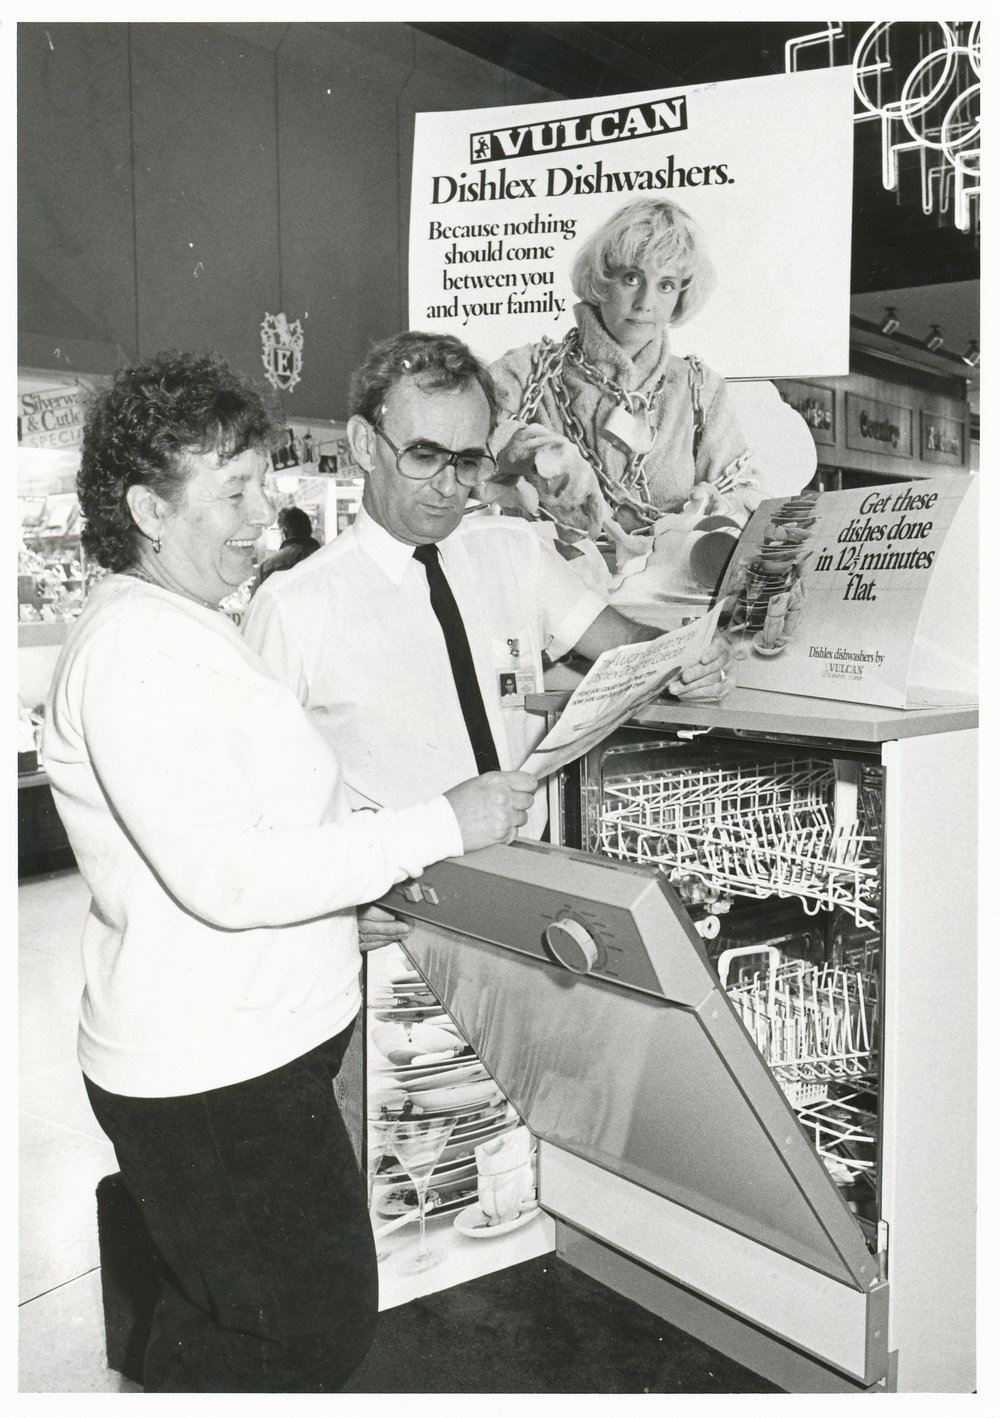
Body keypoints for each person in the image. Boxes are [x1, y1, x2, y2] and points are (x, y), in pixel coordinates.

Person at [41, 350, 536, 1393]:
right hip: (212, 1072)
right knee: (308, 1330)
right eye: (234, 492)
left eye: (261, 484)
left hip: (248, 1048)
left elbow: (254, 824)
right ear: (148, 509)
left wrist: (343, 898)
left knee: (243, 1308)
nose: (264, 514)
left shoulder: (185, 623)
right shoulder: (138, 650)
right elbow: (227, 874)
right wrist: (438, 824)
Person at [243, 330, 730, 844]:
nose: (448, 485)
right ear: (365, 443)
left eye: (468, 462)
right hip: (398, 884)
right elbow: (257, 812)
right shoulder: (291, 607)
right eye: (423, 456)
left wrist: (693, 658)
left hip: (531, 867)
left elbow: (629, 643)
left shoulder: (513, 551)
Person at [488, 196, 759, 544]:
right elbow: (463, 452)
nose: (646, 303)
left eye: (666, 285)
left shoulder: (701, 390)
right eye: (632, 278)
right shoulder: (525, 371)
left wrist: (718, 509)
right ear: (602, 280)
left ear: (680, 295)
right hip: (546, 574)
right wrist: (530, 450)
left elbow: (744, 490)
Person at [252, 505, 321, 591]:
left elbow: (258, 599)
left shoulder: (267, 566)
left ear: (284, 531)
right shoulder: (327, 558)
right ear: (309, 529)